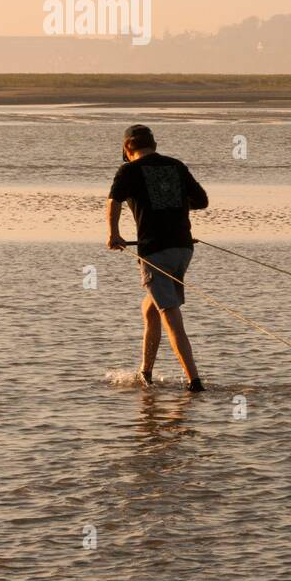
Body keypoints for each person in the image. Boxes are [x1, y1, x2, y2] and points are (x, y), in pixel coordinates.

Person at [106, 124, 210, 392]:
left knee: (170, 315)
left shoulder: (128, 170)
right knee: (150, 309)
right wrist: (173, 204)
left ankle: (194, 381)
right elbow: (201, 201)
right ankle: (146, 373)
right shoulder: (175, 165)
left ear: (128, 148)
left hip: (155, 253)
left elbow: (113, 201)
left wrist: (114, 234)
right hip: (183, 250)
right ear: (153, 143)